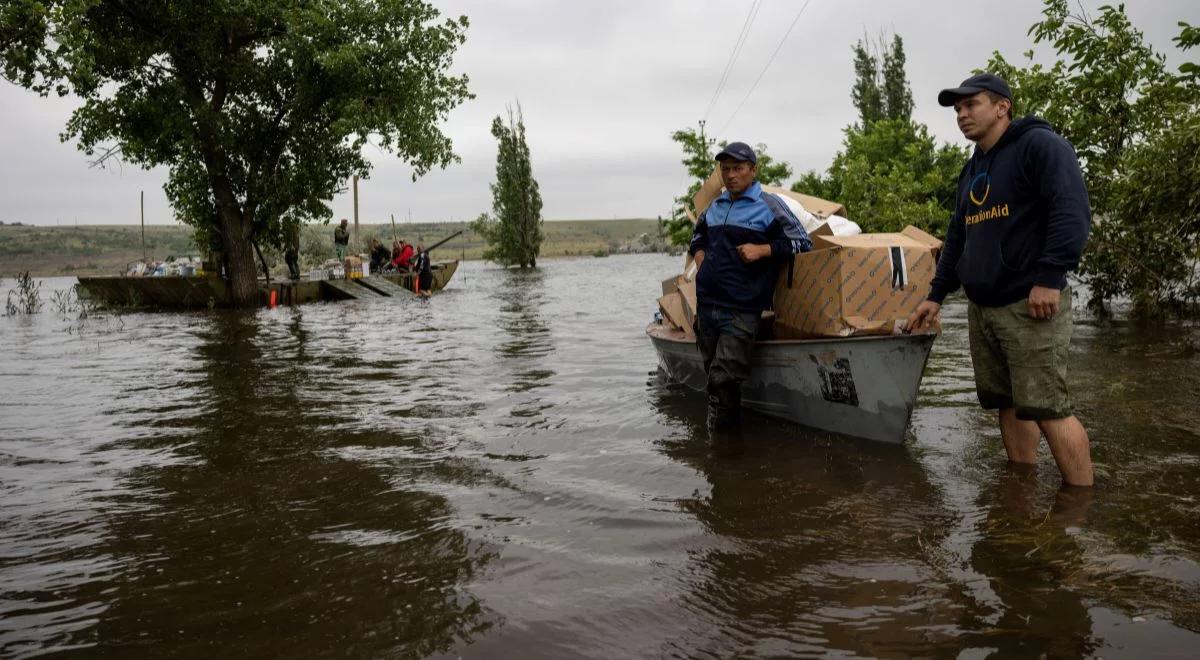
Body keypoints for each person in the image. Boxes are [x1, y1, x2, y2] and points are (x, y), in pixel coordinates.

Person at [904, 73, 1094, 486]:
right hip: (983, 308)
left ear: (1002, 106)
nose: (962, 114)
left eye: (971, 105)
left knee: (1047, 407)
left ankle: (1081, 507)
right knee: (1006, 405)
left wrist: (1049, 276)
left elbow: (1071, 209)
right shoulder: (972, 169)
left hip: (1030, 304)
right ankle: (1021, 491)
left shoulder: (1040, 146)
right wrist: (936, 295)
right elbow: (958, 235)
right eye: (957, 109)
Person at [688, 141, 812, 430]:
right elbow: (698, 236)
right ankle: (724, 446)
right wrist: (699, 254)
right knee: (714, 378)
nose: (731, 175)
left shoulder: (769, 205)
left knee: (723, 378)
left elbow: (802, 242)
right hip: (707, 306)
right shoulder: (714, 206)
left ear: (753, 171)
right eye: (726, 169)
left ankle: (722, 451)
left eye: (738, 168)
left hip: (742, 308)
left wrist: (763, 250)